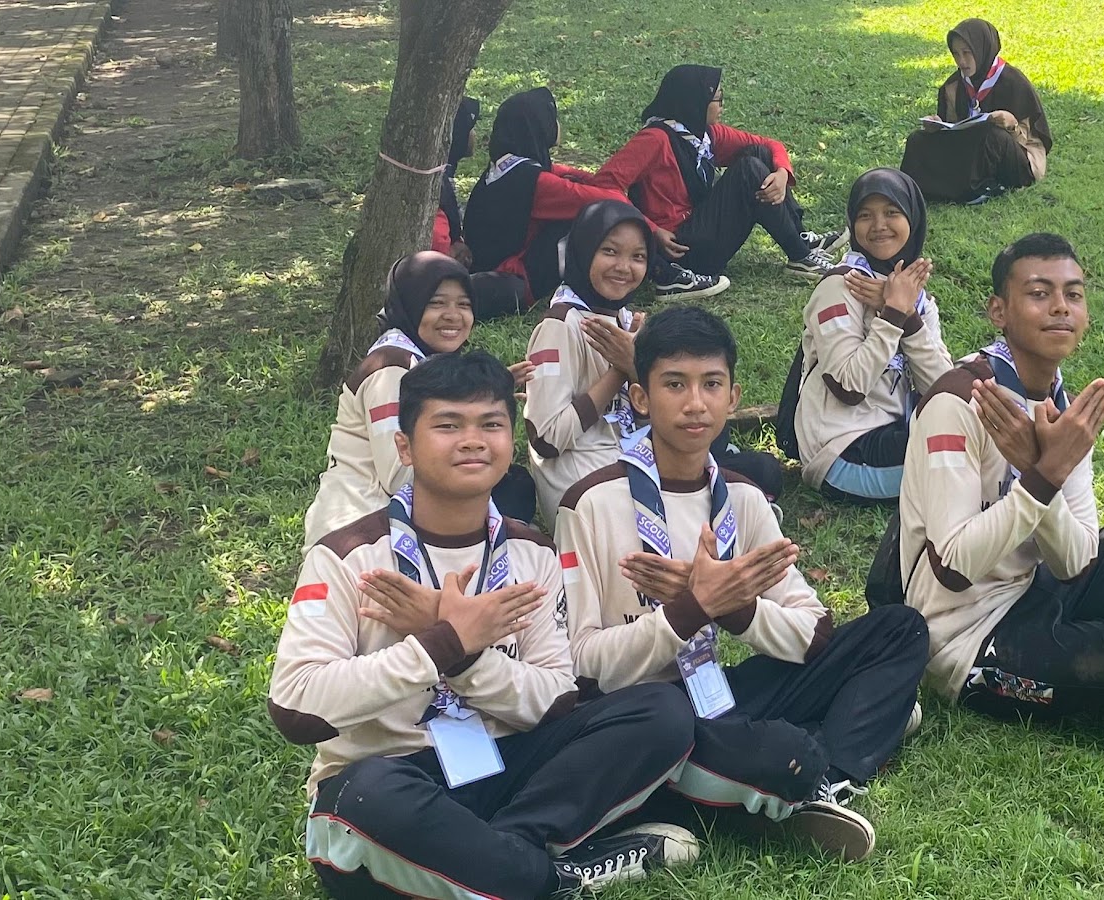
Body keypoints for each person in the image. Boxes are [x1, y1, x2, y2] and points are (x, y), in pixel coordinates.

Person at [270, 351, 701, 898]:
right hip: (397, 777)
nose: (473, 441)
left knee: (659, 711)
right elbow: (297, 709)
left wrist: (468, 656)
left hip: (506, 768)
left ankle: (500, 859)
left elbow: (554, 699)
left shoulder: (531, 552)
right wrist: (439, 644)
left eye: (491, 424)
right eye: (448, 425)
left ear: (511, 441)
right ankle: (555, 873)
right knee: (365, 796)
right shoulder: (347, 555)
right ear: (404, 447)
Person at [555, 306, 929, 861]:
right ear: (640, 398)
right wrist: (687, 611)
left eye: (711, 384)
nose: (695, 403)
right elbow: (582, 669)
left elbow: (816, 635)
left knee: (898, 630)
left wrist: (735, 610)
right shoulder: (589, 503)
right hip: (642, 716)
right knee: (778, 749)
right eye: (674, 385)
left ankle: (827, 781)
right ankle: (809, 755)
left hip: (716, 690)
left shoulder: (744, 498)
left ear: (733, 398)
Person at [899, 233, 1104, 749]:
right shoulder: (959, 402)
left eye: (1073, 295)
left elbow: (1075, 563)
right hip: (967, 637)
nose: (1060, 307)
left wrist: (1041, 470)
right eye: (1039, 293)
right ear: (998, 311)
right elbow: (954, 567)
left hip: (1039, 588)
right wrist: (1044, 476)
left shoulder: (1062, 408)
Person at [522, 201, 783, 529]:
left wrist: (636, 369)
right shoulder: (560, 326)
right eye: (610, 251)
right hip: (585, 482)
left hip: (633, 459)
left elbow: (647, 417)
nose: (623, 267)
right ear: (584, 250)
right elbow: (546, 440)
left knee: (758, 468)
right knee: (739, 487)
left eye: (638, 257)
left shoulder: (622, 317)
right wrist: (620, 370)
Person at [302, 251, 536, 550]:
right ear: (411, 304)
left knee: (515, 486)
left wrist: (486, 395)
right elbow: (398, 475)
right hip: (362, 530)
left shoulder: (419, 359)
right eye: (436, 303)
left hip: (399, 518)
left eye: (464, 304)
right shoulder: (391, 369)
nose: (453, 315)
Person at [591, 65, 847, 299]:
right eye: (717, 99)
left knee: (759, 154)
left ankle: (799, 236)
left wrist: (782, 173)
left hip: (700, 226)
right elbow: (604, 185)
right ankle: (801, 256)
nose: (722, 105)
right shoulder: (655, 139)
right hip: (680, 248)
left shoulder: (703, 135)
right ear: (695, 102)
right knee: (748, 170)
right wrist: (650, 230)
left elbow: (770, 145)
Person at [788, 168, 953, 502]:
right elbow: (848, 387)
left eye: (892, 212)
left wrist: (908, 316)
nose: (879, 225)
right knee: (969, 457)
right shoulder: (840, 287)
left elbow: (942, 391)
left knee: (976, 428)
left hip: (893, 432)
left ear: (913, 218)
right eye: (865, 215)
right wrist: (892, 315)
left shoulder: (917, 298)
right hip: (841, 452)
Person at [464, 88, 640, 319]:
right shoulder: (537, 183)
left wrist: (593, 180)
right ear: (541, 125)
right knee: (587, 219)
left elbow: (563, 172)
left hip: (488, 263)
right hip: (517, 277)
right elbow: (609, 202)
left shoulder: (504, 166)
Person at [900, 18, 1052, 205]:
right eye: (956, 54)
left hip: (1017, 159)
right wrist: (937, 127)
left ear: (982, 49)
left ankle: (972, 189)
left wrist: (1011, 124)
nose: (961, 61)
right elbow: (952, 131)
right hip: (970, 152)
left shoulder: (1014, 83)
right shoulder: (954, 85)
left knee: (992, 136)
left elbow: (1029, 141)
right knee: (918, 139)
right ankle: (913, 188)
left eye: (967, 53)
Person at [431, 96, 480, 265]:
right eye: (469, 128)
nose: (474, 135)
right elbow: (437, 238)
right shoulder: (436, 180)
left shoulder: (442, 172)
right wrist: (450, 254)